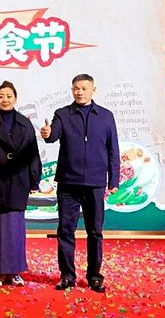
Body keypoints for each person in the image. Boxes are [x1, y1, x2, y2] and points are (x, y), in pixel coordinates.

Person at [40, 73, 119, 293]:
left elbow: (113, 150)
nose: (80, 92)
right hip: (68, 183)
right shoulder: (63, 114)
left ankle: (94, 276)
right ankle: (67, 276)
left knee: (95, 232)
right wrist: (47, 133)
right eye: (76, 88)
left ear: (93, 90)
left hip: (95, 183)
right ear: (72, 90)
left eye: (84, 88)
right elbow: (53, 135)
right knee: (65, 231)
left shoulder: (106, 116)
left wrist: (113, 179)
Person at [0, 81, 41, 287]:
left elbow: (33, 153)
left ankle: (14, 271)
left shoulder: (24, 123)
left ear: (15, 98)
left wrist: (34, 180)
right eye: (1, 96)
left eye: (9, 96)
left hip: (18, 180)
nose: (5, 100)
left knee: (15, 227)